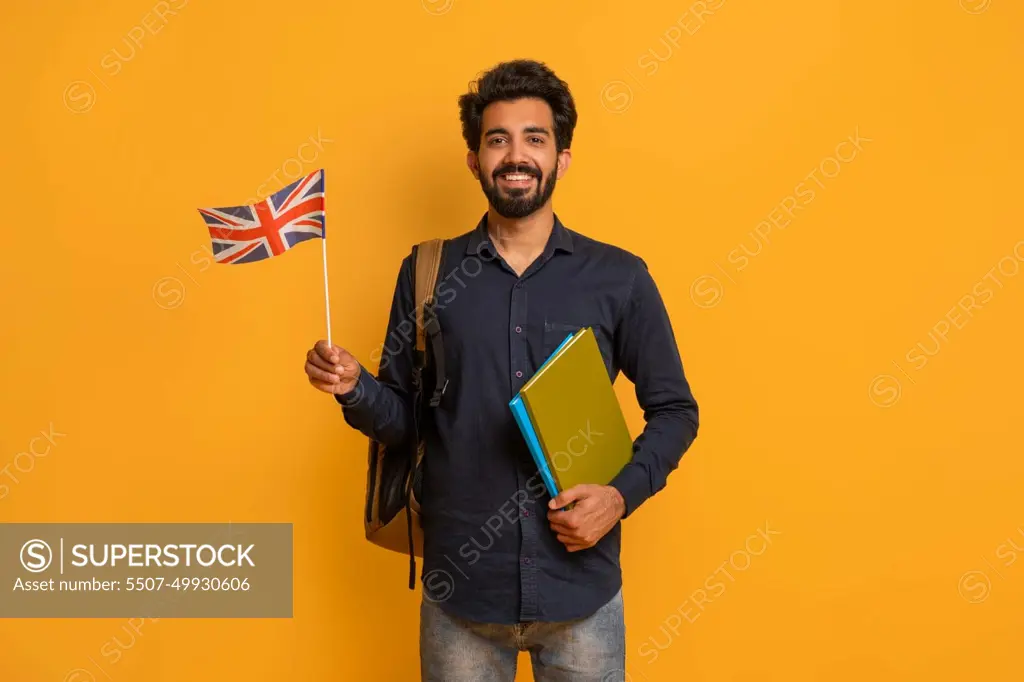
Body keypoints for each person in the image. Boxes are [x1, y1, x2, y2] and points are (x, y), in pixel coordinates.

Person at [303, 59, 699, 682]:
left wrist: (619, 496)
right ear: (474, 158)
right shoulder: (427, 272)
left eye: (535, 139)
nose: (517, 155)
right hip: (460, 593)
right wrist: (354, 388)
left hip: (581, 593)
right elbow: (407, 422)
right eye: (498, 139)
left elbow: (676, 410)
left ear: (562, 158)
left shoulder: (619, 277)